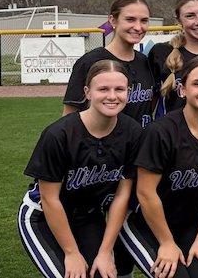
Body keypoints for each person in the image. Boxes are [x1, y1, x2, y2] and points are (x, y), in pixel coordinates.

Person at [19, 60, 142, 278]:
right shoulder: (59, 134)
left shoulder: (132, 132)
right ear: (87, 92)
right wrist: (72, 253)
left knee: (102, 272)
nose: (112, 96)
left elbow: (122, 195)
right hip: (43, 215)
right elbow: (49, 199)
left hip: (88, 216)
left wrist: (105, 252)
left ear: (128, 93)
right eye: (103, 89)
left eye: (119, 89)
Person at [120, 56, 198, 278]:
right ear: (182, 90)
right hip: (144, 222)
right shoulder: (161, 132)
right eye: (197, 83)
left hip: (189, 223)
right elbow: (145, 193)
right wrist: (166, 243)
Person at [64, 0, 156, 127]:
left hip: (141, 139)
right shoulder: (90, 62)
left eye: (144, 21)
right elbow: (69, 117)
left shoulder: (146, 62)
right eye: (130, 19)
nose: (138, 27)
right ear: (113, 21)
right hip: (102, 140)